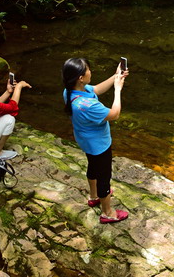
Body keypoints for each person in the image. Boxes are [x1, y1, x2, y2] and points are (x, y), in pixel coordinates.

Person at [63, 57, 129, 224]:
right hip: (99, 144)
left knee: (93, 166)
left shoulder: (70, 91)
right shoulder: (87, 105)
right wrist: (117, 90)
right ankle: (107, 212)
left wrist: (115, 77)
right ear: (80, 77)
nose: (91, 72)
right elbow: (114, 114)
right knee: (104, 177)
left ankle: (93, 196)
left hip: (86, 141)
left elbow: (97, 89)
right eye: (88, 70)